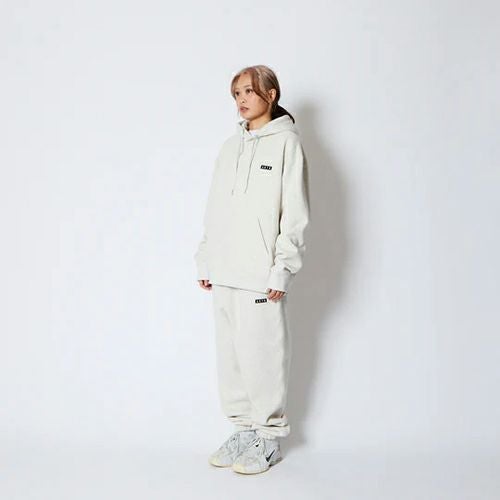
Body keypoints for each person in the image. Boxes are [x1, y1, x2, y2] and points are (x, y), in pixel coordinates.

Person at [194, 64, 310, 474]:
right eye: (236, 94)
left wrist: (282, 269)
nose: (241, 100)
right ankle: (244, 431)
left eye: (248, 91)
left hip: (261, 274)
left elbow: (294, 214)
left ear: (271, 94)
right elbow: (215, 207)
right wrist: (206, 257)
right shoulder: (230, 147)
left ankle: (269, 439)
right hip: (225, 270)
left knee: (263, 357)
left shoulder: (287, 145)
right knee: (231, 359)